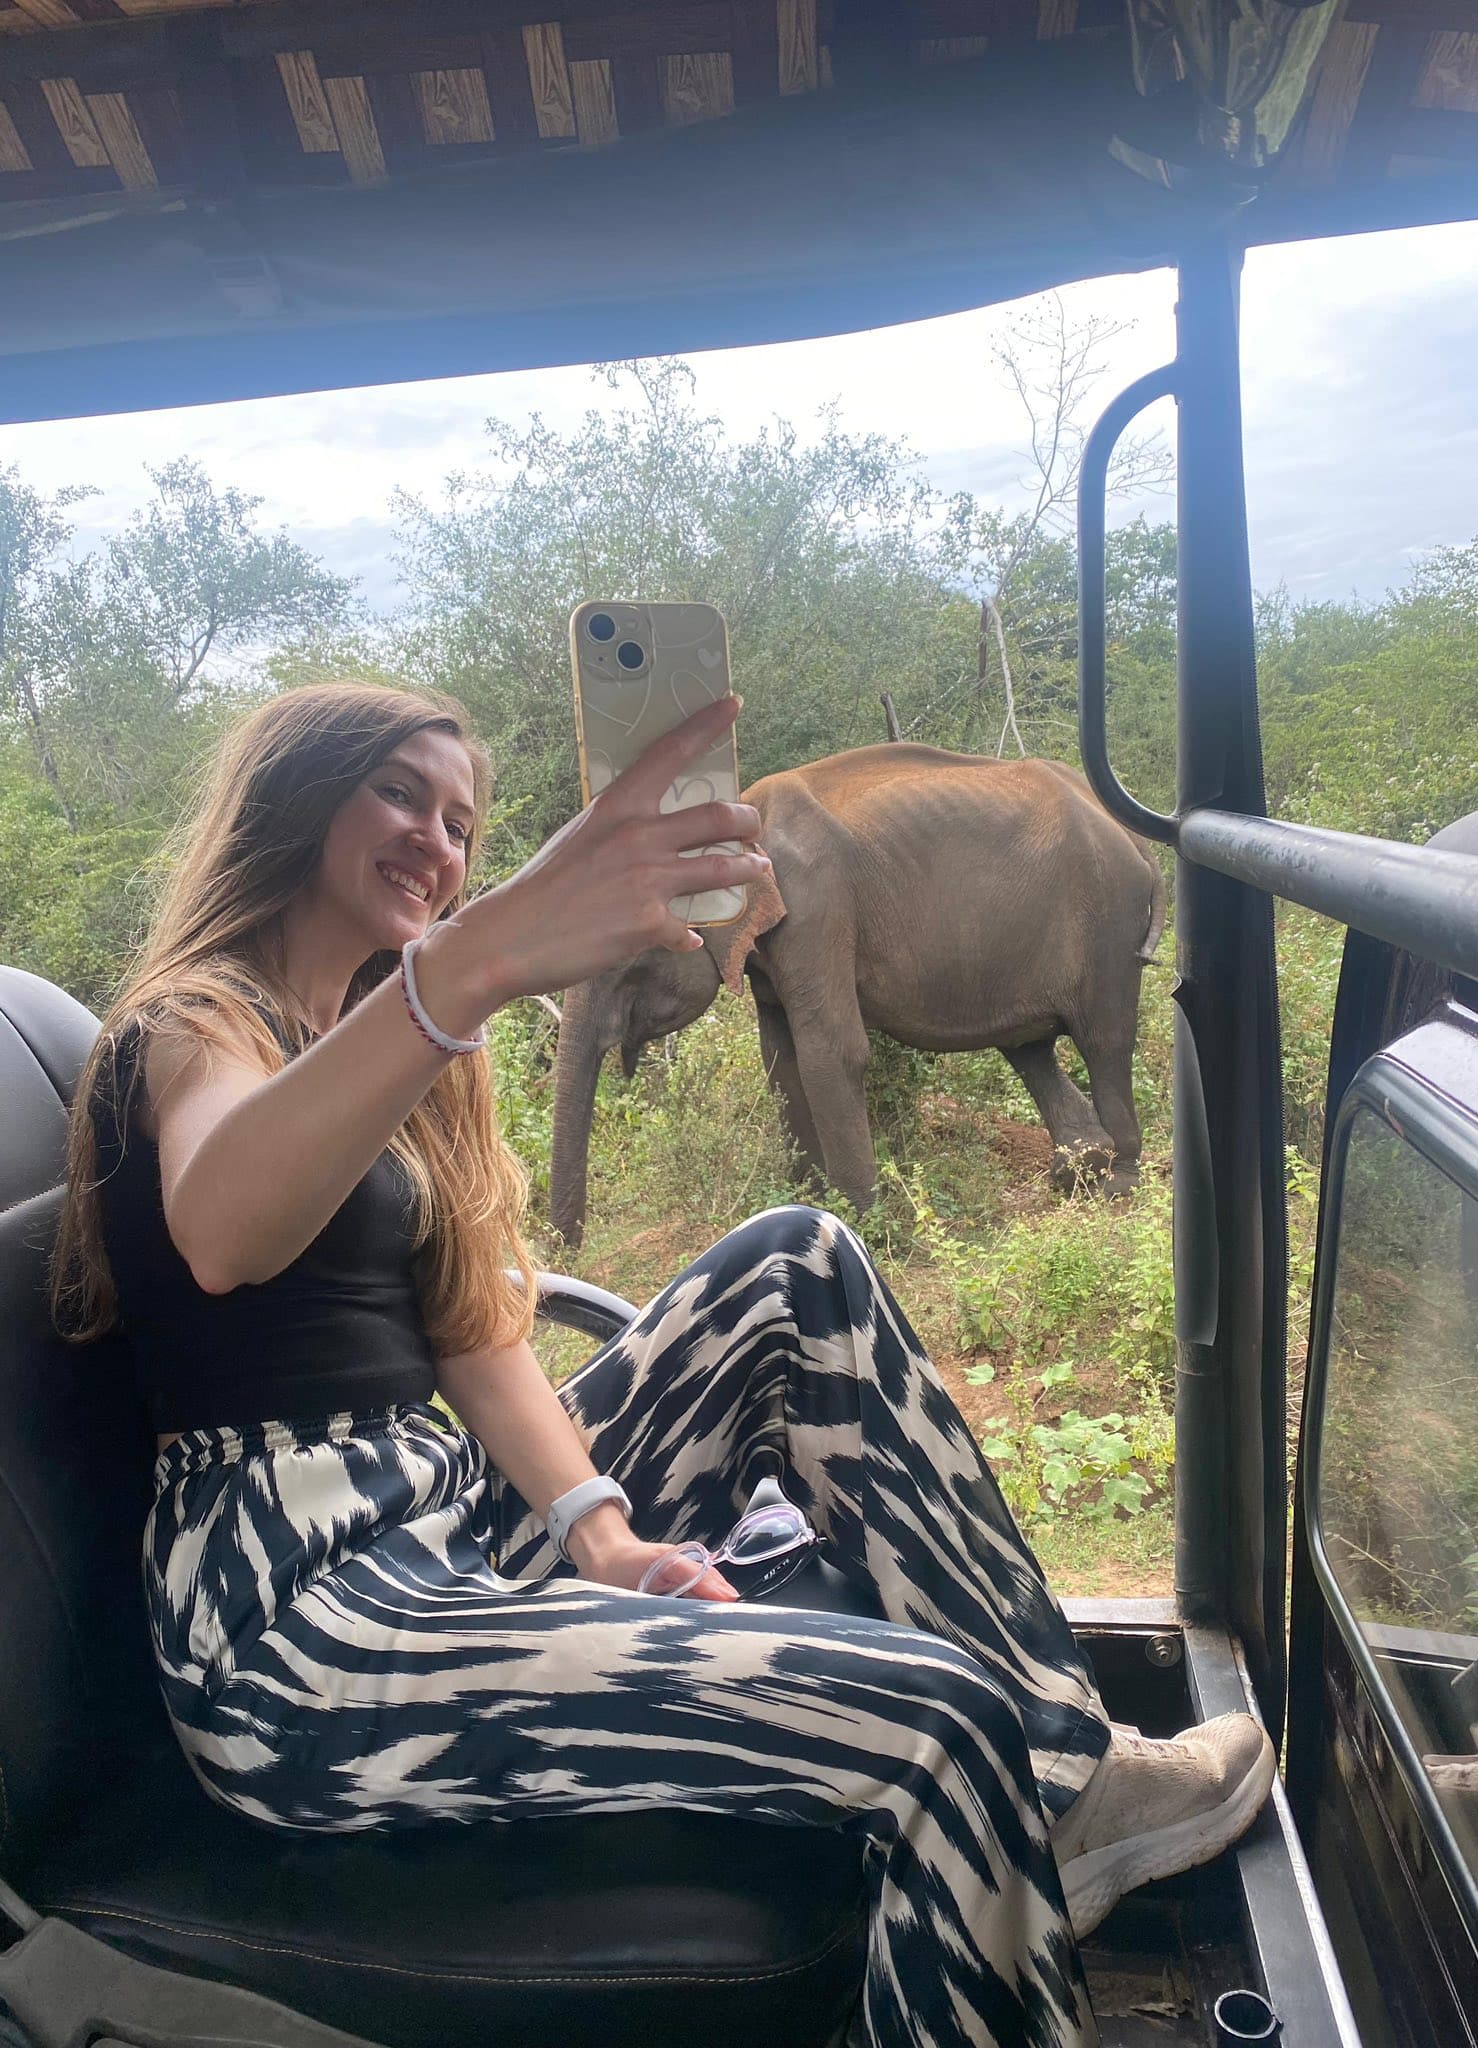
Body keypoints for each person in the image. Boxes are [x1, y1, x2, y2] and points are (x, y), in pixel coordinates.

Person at [54, 680, 1275, 2048]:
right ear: (292, 796)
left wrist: (604, 1533)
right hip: (298, 1619)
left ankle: (1073, 1777)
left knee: (796, 1262)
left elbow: (473, 1334)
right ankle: (1008, 1802)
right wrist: (469, 967)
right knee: (936, 1727)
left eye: (462, 820)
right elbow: (223, 1230)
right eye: (400, 793)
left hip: (444, 1516)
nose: (439, 843)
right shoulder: (195, 1024)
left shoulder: (388, 1041)